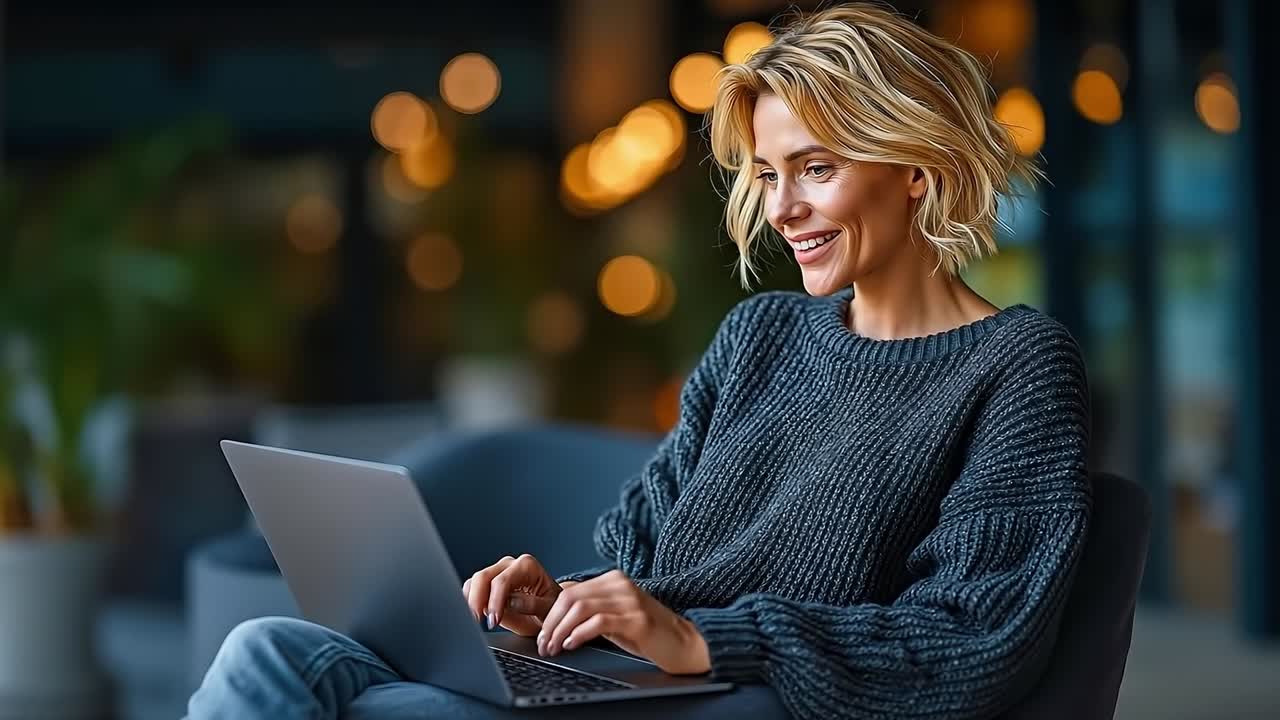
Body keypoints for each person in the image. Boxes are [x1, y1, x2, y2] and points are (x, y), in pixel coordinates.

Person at [187, 4, 1091, 719]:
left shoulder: (1015, 365)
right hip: (641, 674)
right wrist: (561, 601)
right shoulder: (759, 336)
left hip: (754, 694)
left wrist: (704, 641)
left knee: (410, 709)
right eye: (769, 176)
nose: (781, 210)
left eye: (814, 168)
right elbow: (643, 551)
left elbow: (973, 640)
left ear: (915, 171)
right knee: (265, 647)